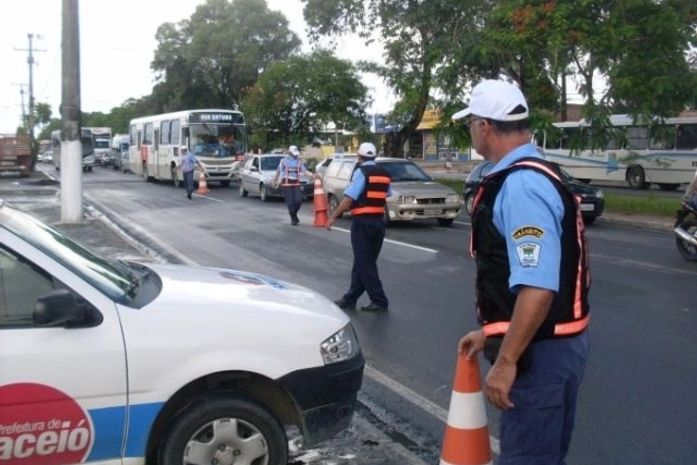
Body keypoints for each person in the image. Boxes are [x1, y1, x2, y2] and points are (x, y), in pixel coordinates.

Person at [453, 80, 591, 464]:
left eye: (471, 123)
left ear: (484, 126)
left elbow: (538, 287)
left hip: (540, 353)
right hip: (555, 343)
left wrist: (506, 360)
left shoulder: (521, 186)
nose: (471, 131)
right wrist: (492, 331)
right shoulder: (538, 172)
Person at [326, 142, 391, 312]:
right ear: (374, 156)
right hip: (378, 222)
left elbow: (349, 198)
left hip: (363, 223)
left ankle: (379, 300)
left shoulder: (361, 172)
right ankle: (350, 298)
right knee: (363, 262)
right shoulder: (384, 174)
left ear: (359, 156)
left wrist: (333, 217)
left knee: (365, 264)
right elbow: (387, 194)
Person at [272, 145, 314, 225]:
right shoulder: (283, 161)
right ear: (290, 153)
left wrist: (313, 175)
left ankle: (294, 214)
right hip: (286, 184)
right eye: (294, 154)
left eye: (296, 154)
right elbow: (278, 171)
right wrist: (275, 180)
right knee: (290, 202)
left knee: (298, 200)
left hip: (296, 183)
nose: (296, 155)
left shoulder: (299, 161)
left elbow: (304, 171)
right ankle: (293, 217)